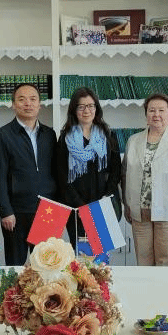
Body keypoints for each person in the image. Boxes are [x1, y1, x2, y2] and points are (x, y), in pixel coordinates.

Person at [122, 94, 168, 267]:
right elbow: (125, 175)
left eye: (161, 110)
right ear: (146, 114)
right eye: (151, 110)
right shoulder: (133, 141)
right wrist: (127, 205)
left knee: (166, 264)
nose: (156, 115)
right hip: (140, 214)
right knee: (144, 263)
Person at [0, 82, 57, 265]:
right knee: (16, 267)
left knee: (46, 267)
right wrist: (5, 211)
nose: (28, 103)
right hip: (16, 212)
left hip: (47, 210)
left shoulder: (49, 134)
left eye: (33, 99)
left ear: (39, 104)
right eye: (22, 99)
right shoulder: (2, 135)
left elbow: (55, 172)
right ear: (13, 104)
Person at [54, 87, 121, 252]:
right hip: (76, 208)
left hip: (103, 206)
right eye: (81, 106)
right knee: (82, 257)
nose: (86, 111)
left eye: (91, 106)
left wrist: (106, 198)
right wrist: (80, 206)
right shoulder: (65, 138)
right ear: (74, 110)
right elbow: (61, 176)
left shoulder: (108, 136)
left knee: (101, 258)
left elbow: (116, 171)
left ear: (96, 108)